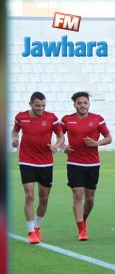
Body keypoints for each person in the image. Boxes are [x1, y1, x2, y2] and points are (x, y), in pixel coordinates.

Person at [12, 92, 64, 244]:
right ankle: (30, 232)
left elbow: (61, 137)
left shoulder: (51, 118)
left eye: (43, 106)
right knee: (29, 195)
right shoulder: (21, 117)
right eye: (37, 106)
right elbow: (15, 131)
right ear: (30, 104)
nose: (41, 108)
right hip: (26, 161)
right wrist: (14, 140)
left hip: (45, 163)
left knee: (44, 198)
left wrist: (56, 146)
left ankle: (36, 227)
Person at [61, 92, 112, 241]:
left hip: (92, 163)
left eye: (85, 102)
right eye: (79, 103)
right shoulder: (67, 120)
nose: (82, 105)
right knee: (77, 194)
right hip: (74, 162)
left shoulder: (97, 119)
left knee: (89, 198)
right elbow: (59, 137)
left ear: (89, 104)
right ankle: (81, 229)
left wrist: (97, 143)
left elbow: (108, 138)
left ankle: (83, 219)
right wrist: (63, 147)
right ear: (74, 105)